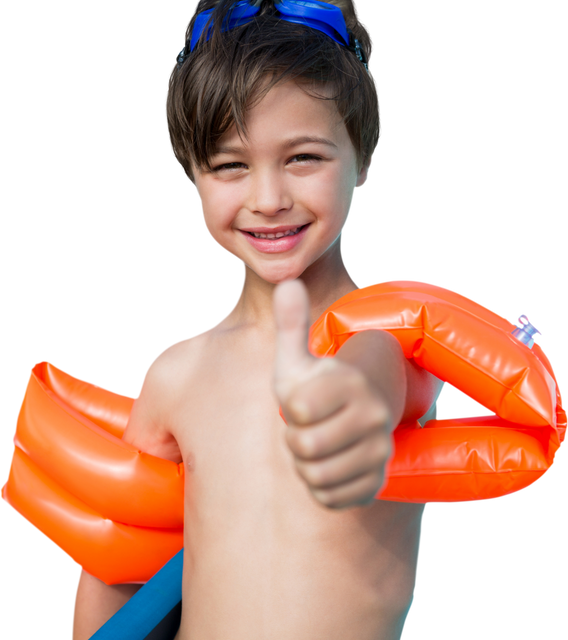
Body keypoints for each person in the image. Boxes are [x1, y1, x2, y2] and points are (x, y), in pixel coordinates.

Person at [70, 1, 445, 638]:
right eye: (231, 166)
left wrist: (348, 414)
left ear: (366, 159)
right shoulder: (176, 373)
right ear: (192, 176)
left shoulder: (396, 341)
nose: (268, 199)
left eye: (303, 158)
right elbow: (117, 565)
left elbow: (369, 383)